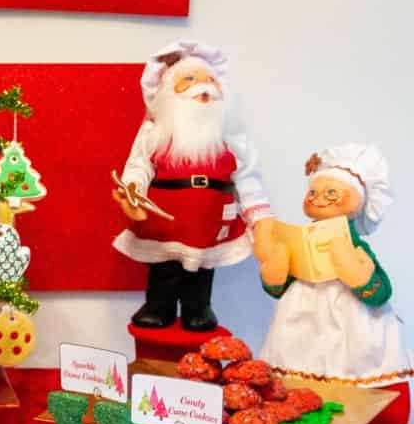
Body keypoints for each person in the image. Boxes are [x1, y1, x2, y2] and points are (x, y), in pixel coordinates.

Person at [113, 40, 272, 333]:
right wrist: (133, 191)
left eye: (211, 80)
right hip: (165, 216)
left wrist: (260, 220)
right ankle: (158, 305)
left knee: (202, 268)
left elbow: (248, 177)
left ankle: (197, 307)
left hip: (210, 220)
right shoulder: (156, 130)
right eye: (190, 79)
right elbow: (139, 165)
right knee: (164, 266)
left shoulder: (230, 136)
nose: (205, 87)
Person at [258, 145, 410, 390]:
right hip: (301, 314)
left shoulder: (355, 246)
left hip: (349, 313)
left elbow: (381, 292)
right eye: (313, 192)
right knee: (296, 350)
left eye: (331, 192)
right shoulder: (300, 239)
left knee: (352, 351)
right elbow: (278, 289)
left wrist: (358, 275)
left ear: (359, 202)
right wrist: (276, 270)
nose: (318, 197)